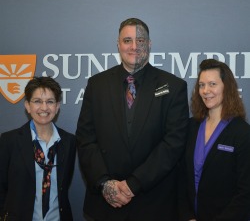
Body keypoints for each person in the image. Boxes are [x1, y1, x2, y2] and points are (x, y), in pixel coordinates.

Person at [76, 17, 189, 221]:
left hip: (155, 204)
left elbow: (173, 143)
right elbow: (85, 139)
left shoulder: (173, 86)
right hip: (105, 205)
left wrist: (133, 184)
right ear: (118, 45)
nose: (134, 46)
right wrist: (105, 184)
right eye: (127, 40)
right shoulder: (97, 85)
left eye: (141, 41)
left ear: (149, 44)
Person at [179, 59, 250, 221]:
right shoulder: (191, 127)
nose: (205, 90)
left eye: (212, 84)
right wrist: (186, 215)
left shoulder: (242, 133)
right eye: (201, 85)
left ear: (227, 87)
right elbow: (181, 178)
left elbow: (245, 192)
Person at [0, 76, 76, 221]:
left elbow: (63, 186)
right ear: (27, 105)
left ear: (57, 106)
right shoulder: (9, 140)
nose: (44, 108)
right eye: (37, 101)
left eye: (50, 102)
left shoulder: (69, 141)